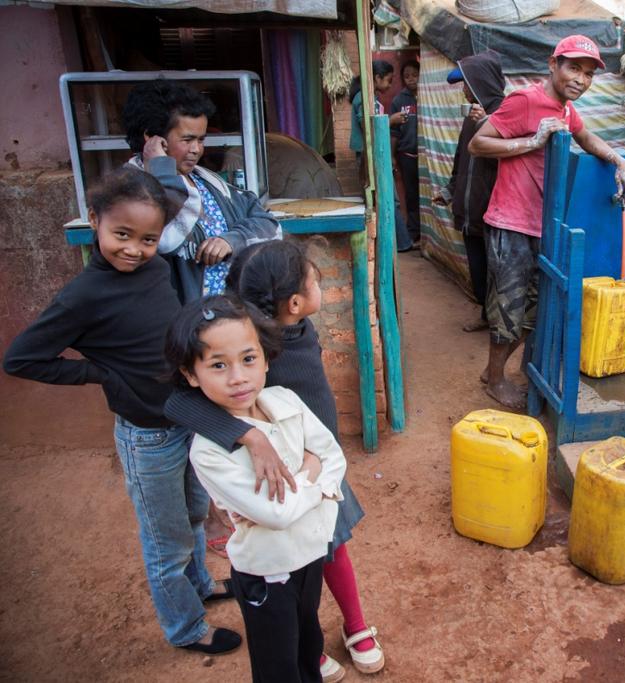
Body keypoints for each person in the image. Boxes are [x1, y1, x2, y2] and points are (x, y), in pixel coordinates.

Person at [3, 168, 241, 655]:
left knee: (195, 513)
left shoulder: (156, 269)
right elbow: (21, 358)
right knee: (165, 541)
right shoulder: (81, 297)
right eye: (122, 235)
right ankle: (187, 629)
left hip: (185, 418)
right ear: (95, 221)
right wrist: (101, 374)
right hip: (146, 434)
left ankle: (199, 585)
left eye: (148, 238)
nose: (134, 248)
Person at [164, 241, 386, 677]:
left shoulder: (294, 336)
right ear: (296, 300)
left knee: (327, 553)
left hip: (313, 463)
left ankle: (337, 635)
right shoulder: (247, 352)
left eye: (250, 360)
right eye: (316, 280)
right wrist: (251, 436)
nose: (240, 372)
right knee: (288, 632)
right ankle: (318, 649)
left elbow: (330, 456)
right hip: (288, 486)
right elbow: (178, 404)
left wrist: (321, 465)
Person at [468, 35, 625, 409]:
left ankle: (495, 372)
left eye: (588, 73)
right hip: (510, 222)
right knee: (508, 310)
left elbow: (585, 135)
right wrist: (532, 141)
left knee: (532, 309)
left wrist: (618, 160)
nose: (581, 79)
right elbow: (478, 144)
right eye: (574, 68)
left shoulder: (564, 108)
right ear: (553, 64)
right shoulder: (526, 100)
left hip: (539, 223)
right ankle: (494, 379)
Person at [121, 79, 282, 303]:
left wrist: (232, 240)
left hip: (229, 318)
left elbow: (270, 225)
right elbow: (168, 236)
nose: (196, 149)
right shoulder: (128, 188)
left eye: (201, 139)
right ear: (153, 138)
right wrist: (161, 168)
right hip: (181, 326)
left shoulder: (208, 181)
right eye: (187, 140)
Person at [433, 50, 506, 333]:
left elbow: (508, 157)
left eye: (467, 83)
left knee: (496, 272)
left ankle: (499, 322)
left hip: (493, 211)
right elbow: (460, 161)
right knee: (477, 270)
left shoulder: (505, 114)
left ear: (481, 82)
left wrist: (486, 123)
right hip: (468, 210)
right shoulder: (470, 117)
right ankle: (486, 316)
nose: (463, 90)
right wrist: (450, 191)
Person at [350, 60, 414, 252]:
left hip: (375, 153)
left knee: (386, 199)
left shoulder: (369, 97)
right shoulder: (364, 98)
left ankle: (398, 243)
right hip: (370, 155)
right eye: (388, 80)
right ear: (377, 78)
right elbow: (368, 128)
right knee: (388, 199)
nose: (389, 84)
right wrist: (391, 120)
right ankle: (402, 243)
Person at [390, 60, 421, 246]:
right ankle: (414, 232)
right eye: (407, 76)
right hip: (407, 155)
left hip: (428, 156)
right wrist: (393, 155)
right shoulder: (399, 101)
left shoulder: (428, 95)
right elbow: (394, 133)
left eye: (414, 75)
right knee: (411, 195)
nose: (411, 79)